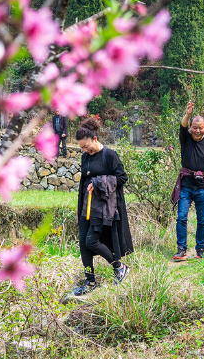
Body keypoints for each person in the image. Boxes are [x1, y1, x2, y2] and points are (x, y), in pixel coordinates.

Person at [74, 118, 134, 295]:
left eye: (86, 146)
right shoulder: (86, 157)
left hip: (104, 207)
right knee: (83, 245)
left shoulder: (109, 155)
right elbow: (84, 182)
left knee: (91, 241)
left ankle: (119, 267)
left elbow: (122, 178)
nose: (85, 150)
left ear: (94, 139)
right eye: (82, 148)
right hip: (88, 205)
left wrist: (99, 182)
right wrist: (79, 206)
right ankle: (90, 282)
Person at [171, 101, 204, 261]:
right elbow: (183, 126)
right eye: (194, 127)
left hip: (202, 187)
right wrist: (188, 114)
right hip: (186, 186)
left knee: (202, 219)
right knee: (181, 217)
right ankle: (181, 249)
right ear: (191, 128)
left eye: (200, 127)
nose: (197, 130)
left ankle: (200, 248)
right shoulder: (185, 138)